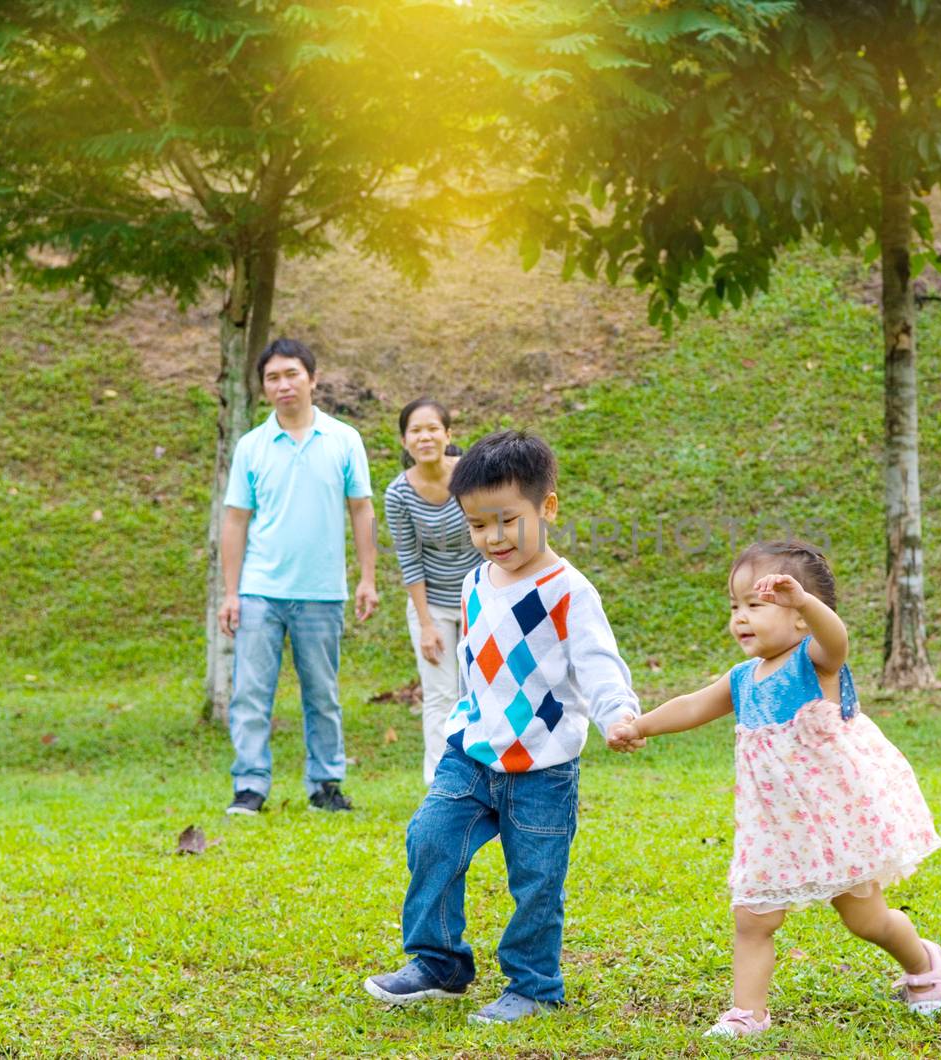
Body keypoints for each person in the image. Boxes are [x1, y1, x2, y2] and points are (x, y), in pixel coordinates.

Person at [607, 541, 941, 1037]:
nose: (741, 617)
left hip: (833, 822)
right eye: (735, 606)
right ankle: (748, 1013)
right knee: (752, 918)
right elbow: (690, 705)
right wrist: (640, 726)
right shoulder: (743, 678)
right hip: (773, 826)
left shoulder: (814, 663)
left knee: (866, 920)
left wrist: (807, 602)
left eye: (757, 604)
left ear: (800, 618)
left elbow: (838, 640)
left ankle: (922, 964)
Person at [364, 429, 639, 1024]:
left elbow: (598, 664)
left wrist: (619, 711)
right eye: (478, 526)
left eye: (508, 521)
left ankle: (535, 985)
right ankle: (439, 962)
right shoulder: (471, 584)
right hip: (471, 753)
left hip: (543, 768)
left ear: (548, 508)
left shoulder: (568, 590)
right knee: (430, 838)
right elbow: (477, 670)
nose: (493, 538)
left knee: (537, 878)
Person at [217, 338, 380, 816]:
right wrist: (230, 593)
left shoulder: (344, 439)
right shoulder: (251, 446)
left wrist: (367, 578)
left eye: (292, 374)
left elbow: (361, 509)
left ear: (312, 378)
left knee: (323, 694)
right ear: (264, 387)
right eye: (272, 377)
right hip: (259, 591)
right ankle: (249, 787)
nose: (283, 385)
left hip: (321, 591)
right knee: (250, 693)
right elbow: (235, 521)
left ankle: (326, 785)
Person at [383, 398, 476, 784]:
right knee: (440, 694)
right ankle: (442, 784)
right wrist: (425, 624)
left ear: (448, 435)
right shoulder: (398, 494)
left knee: (479, 688)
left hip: (479, 597)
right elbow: (409, 559)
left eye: (433, 429)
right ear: (405, 441)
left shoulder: (473, 476)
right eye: (416, 431)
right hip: (432, 604)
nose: (425, 437)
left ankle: (486, 776)